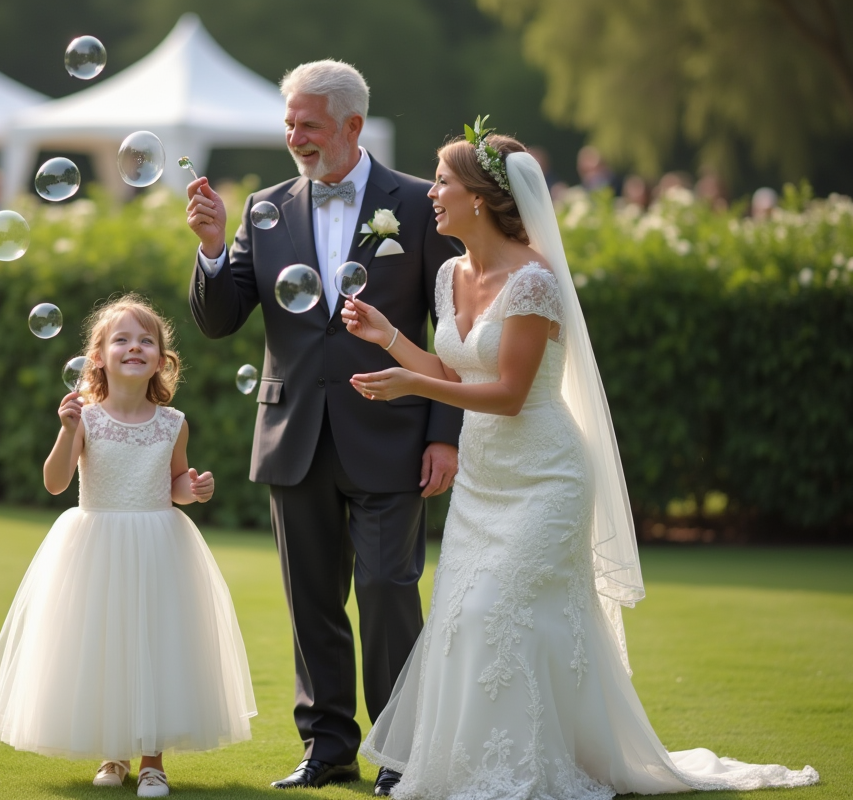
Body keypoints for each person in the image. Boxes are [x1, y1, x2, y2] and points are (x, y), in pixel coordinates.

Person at [343, 127, 819, 797]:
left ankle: (527, 769)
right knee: (464, 621)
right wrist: (388, 338)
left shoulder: (534, 280)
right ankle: (480, 766)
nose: (434, 193)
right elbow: (454, 366)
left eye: (445, 181)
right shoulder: (450, 275)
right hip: (485, 481)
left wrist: (417, 387)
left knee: (493, 614)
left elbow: (507, 394)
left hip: (545, 475)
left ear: (481, 198)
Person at [184, 59, 462, 795]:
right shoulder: (263, 208)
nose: (294, 137)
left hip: (394, 433)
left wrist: (443, 431)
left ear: (351, 125)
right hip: (294, 430)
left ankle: (402, 755)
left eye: (308, 124)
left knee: (385, 590)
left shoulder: (416, 203)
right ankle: (327, 747)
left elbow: (455, 329)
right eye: (289, 124)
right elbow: (219, 321)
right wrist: (212, 248)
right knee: (311, 601)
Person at [0, 296, 256, 798]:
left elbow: (174, 483)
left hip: (157, 544)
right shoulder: (84, 418)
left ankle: (152, 762)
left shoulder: (173, 422)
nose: (135, 347)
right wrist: (66, 434)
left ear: (161, 359)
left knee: (154, 643)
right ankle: (113, 753)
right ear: (98, 356)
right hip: (96, 545)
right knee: (105, 644)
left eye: (146, 340)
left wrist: (191, 490)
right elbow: (56, 483)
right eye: (121, 339)